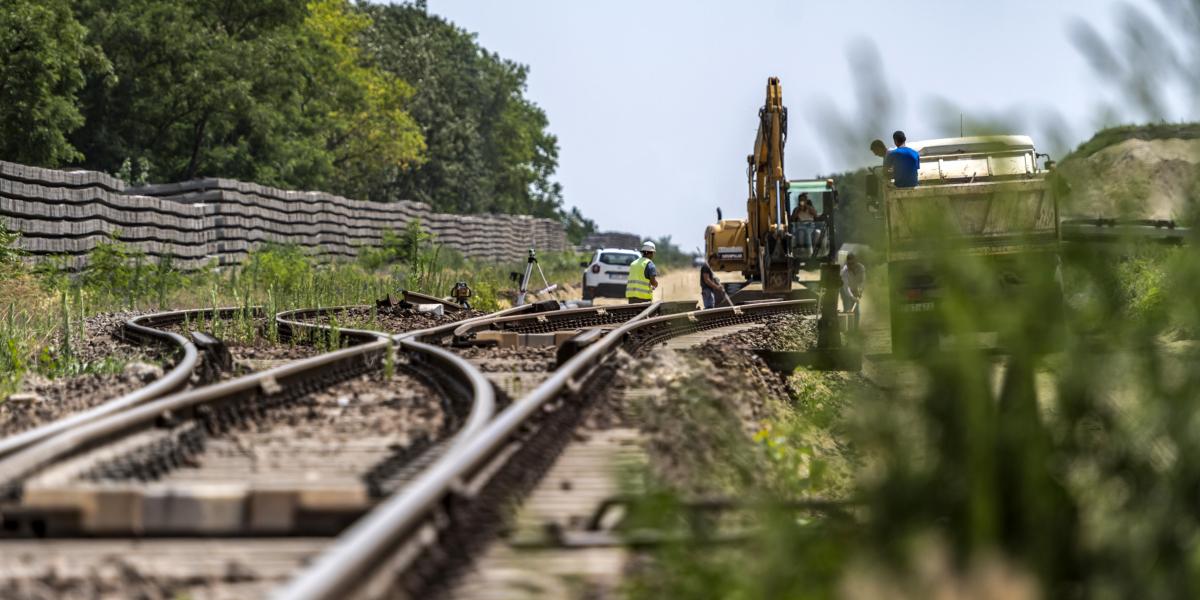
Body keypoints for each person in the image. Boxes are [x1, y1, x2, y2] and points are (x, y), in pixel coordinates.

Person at [840, 252, 866, 330]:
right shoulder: (844, 271)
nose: (850, 265)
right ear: (847, 262)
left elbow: (862, 282)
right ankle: (848, 329)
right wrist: (852, 297)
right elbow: (846, 287)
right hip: (844, 289)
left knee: (856, 309)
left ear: (856, 262)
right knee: (848, 308)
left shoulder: (861, 268)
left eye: (852, 263)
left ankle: (856, 329)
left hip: (855, 289)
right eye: (849, 263)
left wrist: (860, 292)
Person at [789, 193, 819, 258]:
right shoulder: (796, 209)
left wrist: (808, 208)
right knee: (800, 232)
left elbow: (816, 215)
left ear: (806, 201)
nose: (802, 201)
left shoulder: (810, 208)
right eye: (800, 200)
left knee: (807, 232)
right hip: (800, 226)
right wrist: (798, 211)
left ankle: (810, 252)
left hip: (810, 226)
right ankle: (800, 251)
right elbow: (792, 219)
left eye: (803, 200)